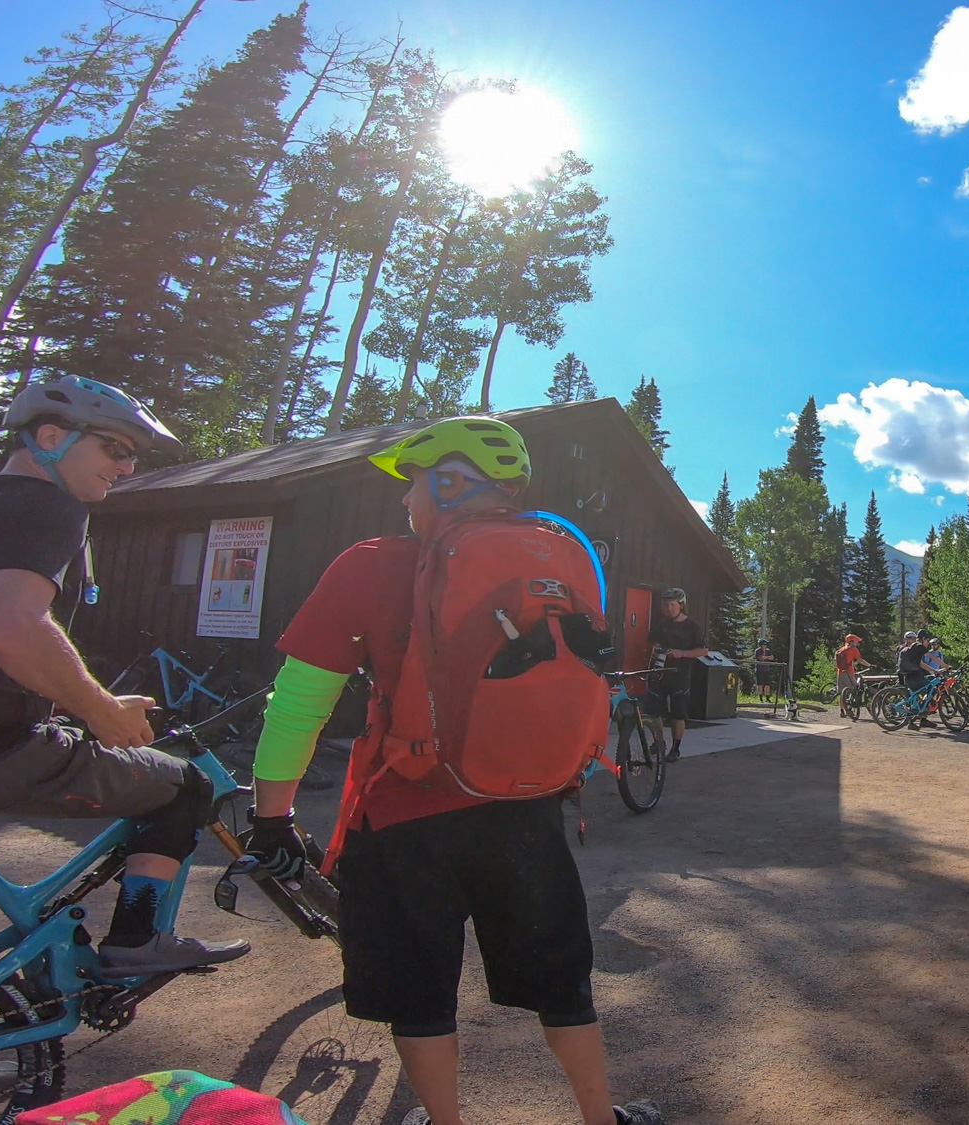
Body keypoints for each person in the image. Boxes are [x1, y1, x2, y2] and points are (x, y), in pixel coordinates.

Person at [244, 417, 661, 1125]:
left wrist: (271, 814)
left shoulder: (371, 563)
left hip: (407, 816)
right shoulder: (555, 560)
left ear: (447, 482)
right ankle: (601, 1117)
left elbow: (297, 708)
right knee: (561, 982)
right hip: (526, 806)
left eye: (413, 485)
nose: (406, 502)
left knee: (422, 992)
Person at [0, 377, 249, 977]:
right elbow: (8, 625)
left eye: (134, 454)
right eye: (115, 447)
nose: (129, 466)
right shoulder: (46, 505)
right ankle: (138, 937)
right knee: (186, 787)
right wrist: (101, 710)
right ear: (50, 437)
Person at [647, 588, 707, 762]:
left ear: (681, 605)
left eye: (672, 605)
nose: (668, 609)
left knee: (677, 714)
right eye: (665, 605)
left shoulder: (692, 627)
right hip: (659, 671)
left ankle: (675, 748)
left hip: (680, 675)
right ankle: (659, 742)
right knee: (653, 711)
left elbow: (703, 650)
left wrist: (682, 653)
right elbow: (652, 641)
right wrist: (657, 648)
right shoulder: (661, 624)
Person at [834, 634, 869, 707]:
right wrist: (869, 665)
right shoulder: (854, 650)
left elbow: (835, 661)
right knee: (854, 688)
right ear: (852, 641)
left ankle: (842, 710)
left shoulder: (842, 649)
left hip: (840, 672)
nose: (857, 643)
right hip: (849, 672)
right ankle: (851, 706)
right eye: (856, 641)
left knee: (842, 693)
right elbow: (860, 660)